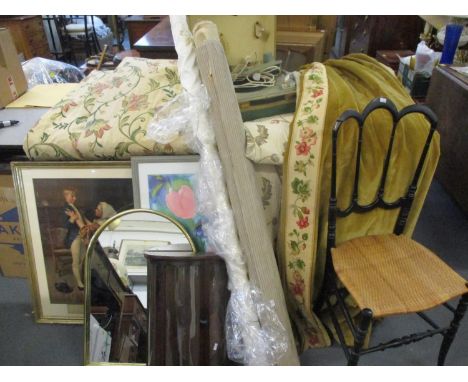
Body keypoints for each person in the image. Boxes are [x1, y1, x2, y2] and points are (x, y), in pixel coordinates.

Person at [63, 188, 89, 290]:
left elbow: (82, 222)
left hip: (82, 236)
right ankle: (79, 283)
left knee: (82, 259)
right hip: (74, 237)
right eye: (72, 196)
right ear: (66, 196)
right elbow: (65, 226)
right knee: (76, 260)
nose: (75, 198)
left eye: (75, 196)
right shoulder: (65, 209)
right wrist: (72, 219)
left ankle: (82, 279)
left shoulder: (75, 207)